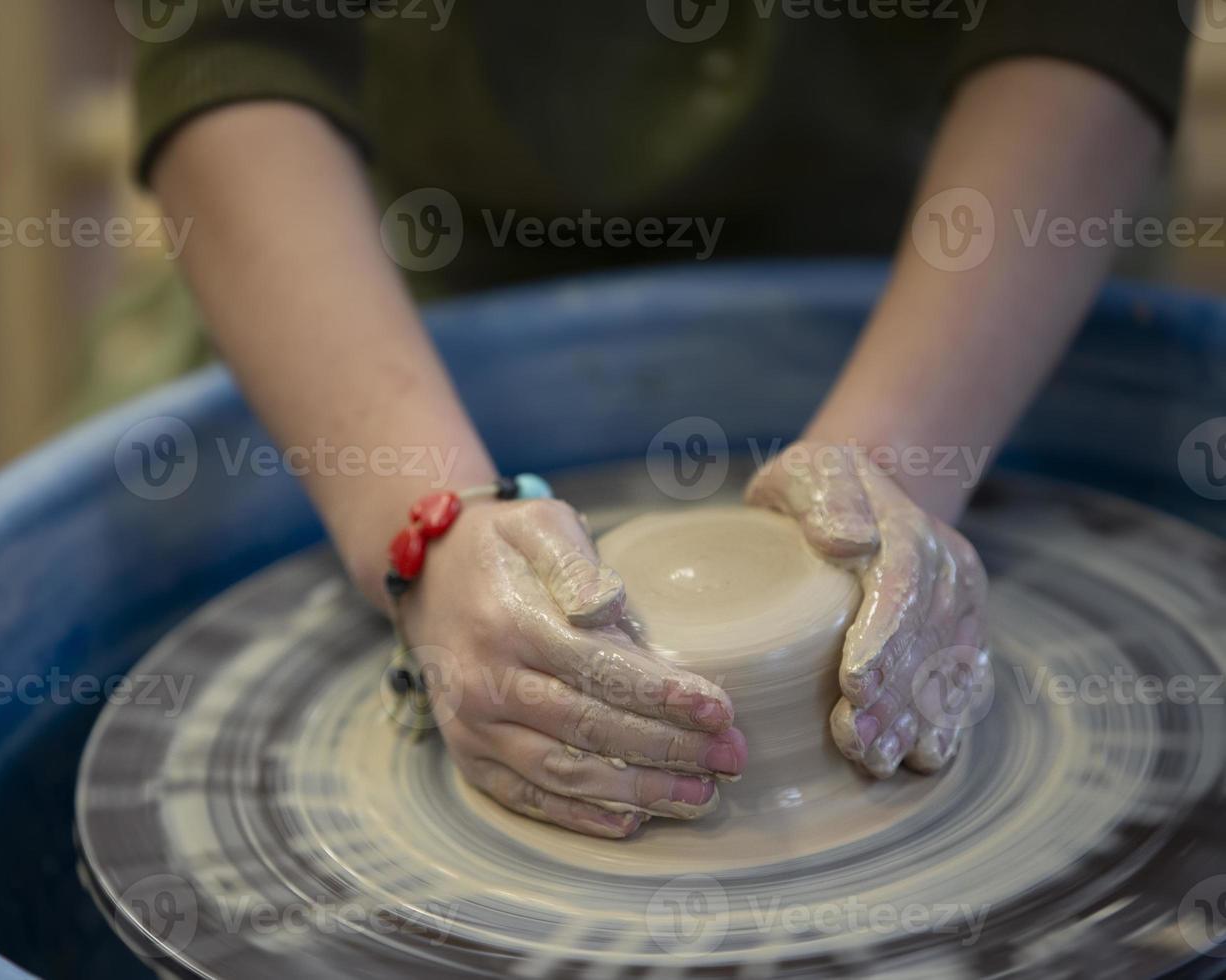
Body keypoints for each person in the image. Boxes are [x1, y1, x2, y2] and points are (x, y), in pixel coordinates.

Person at [125, 1, 1193, 837]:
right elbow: (231, 47)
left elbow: (1088, 15)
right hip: (394, 279)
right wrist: (425, 518)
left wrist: (896, 467)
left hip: (964, 270)